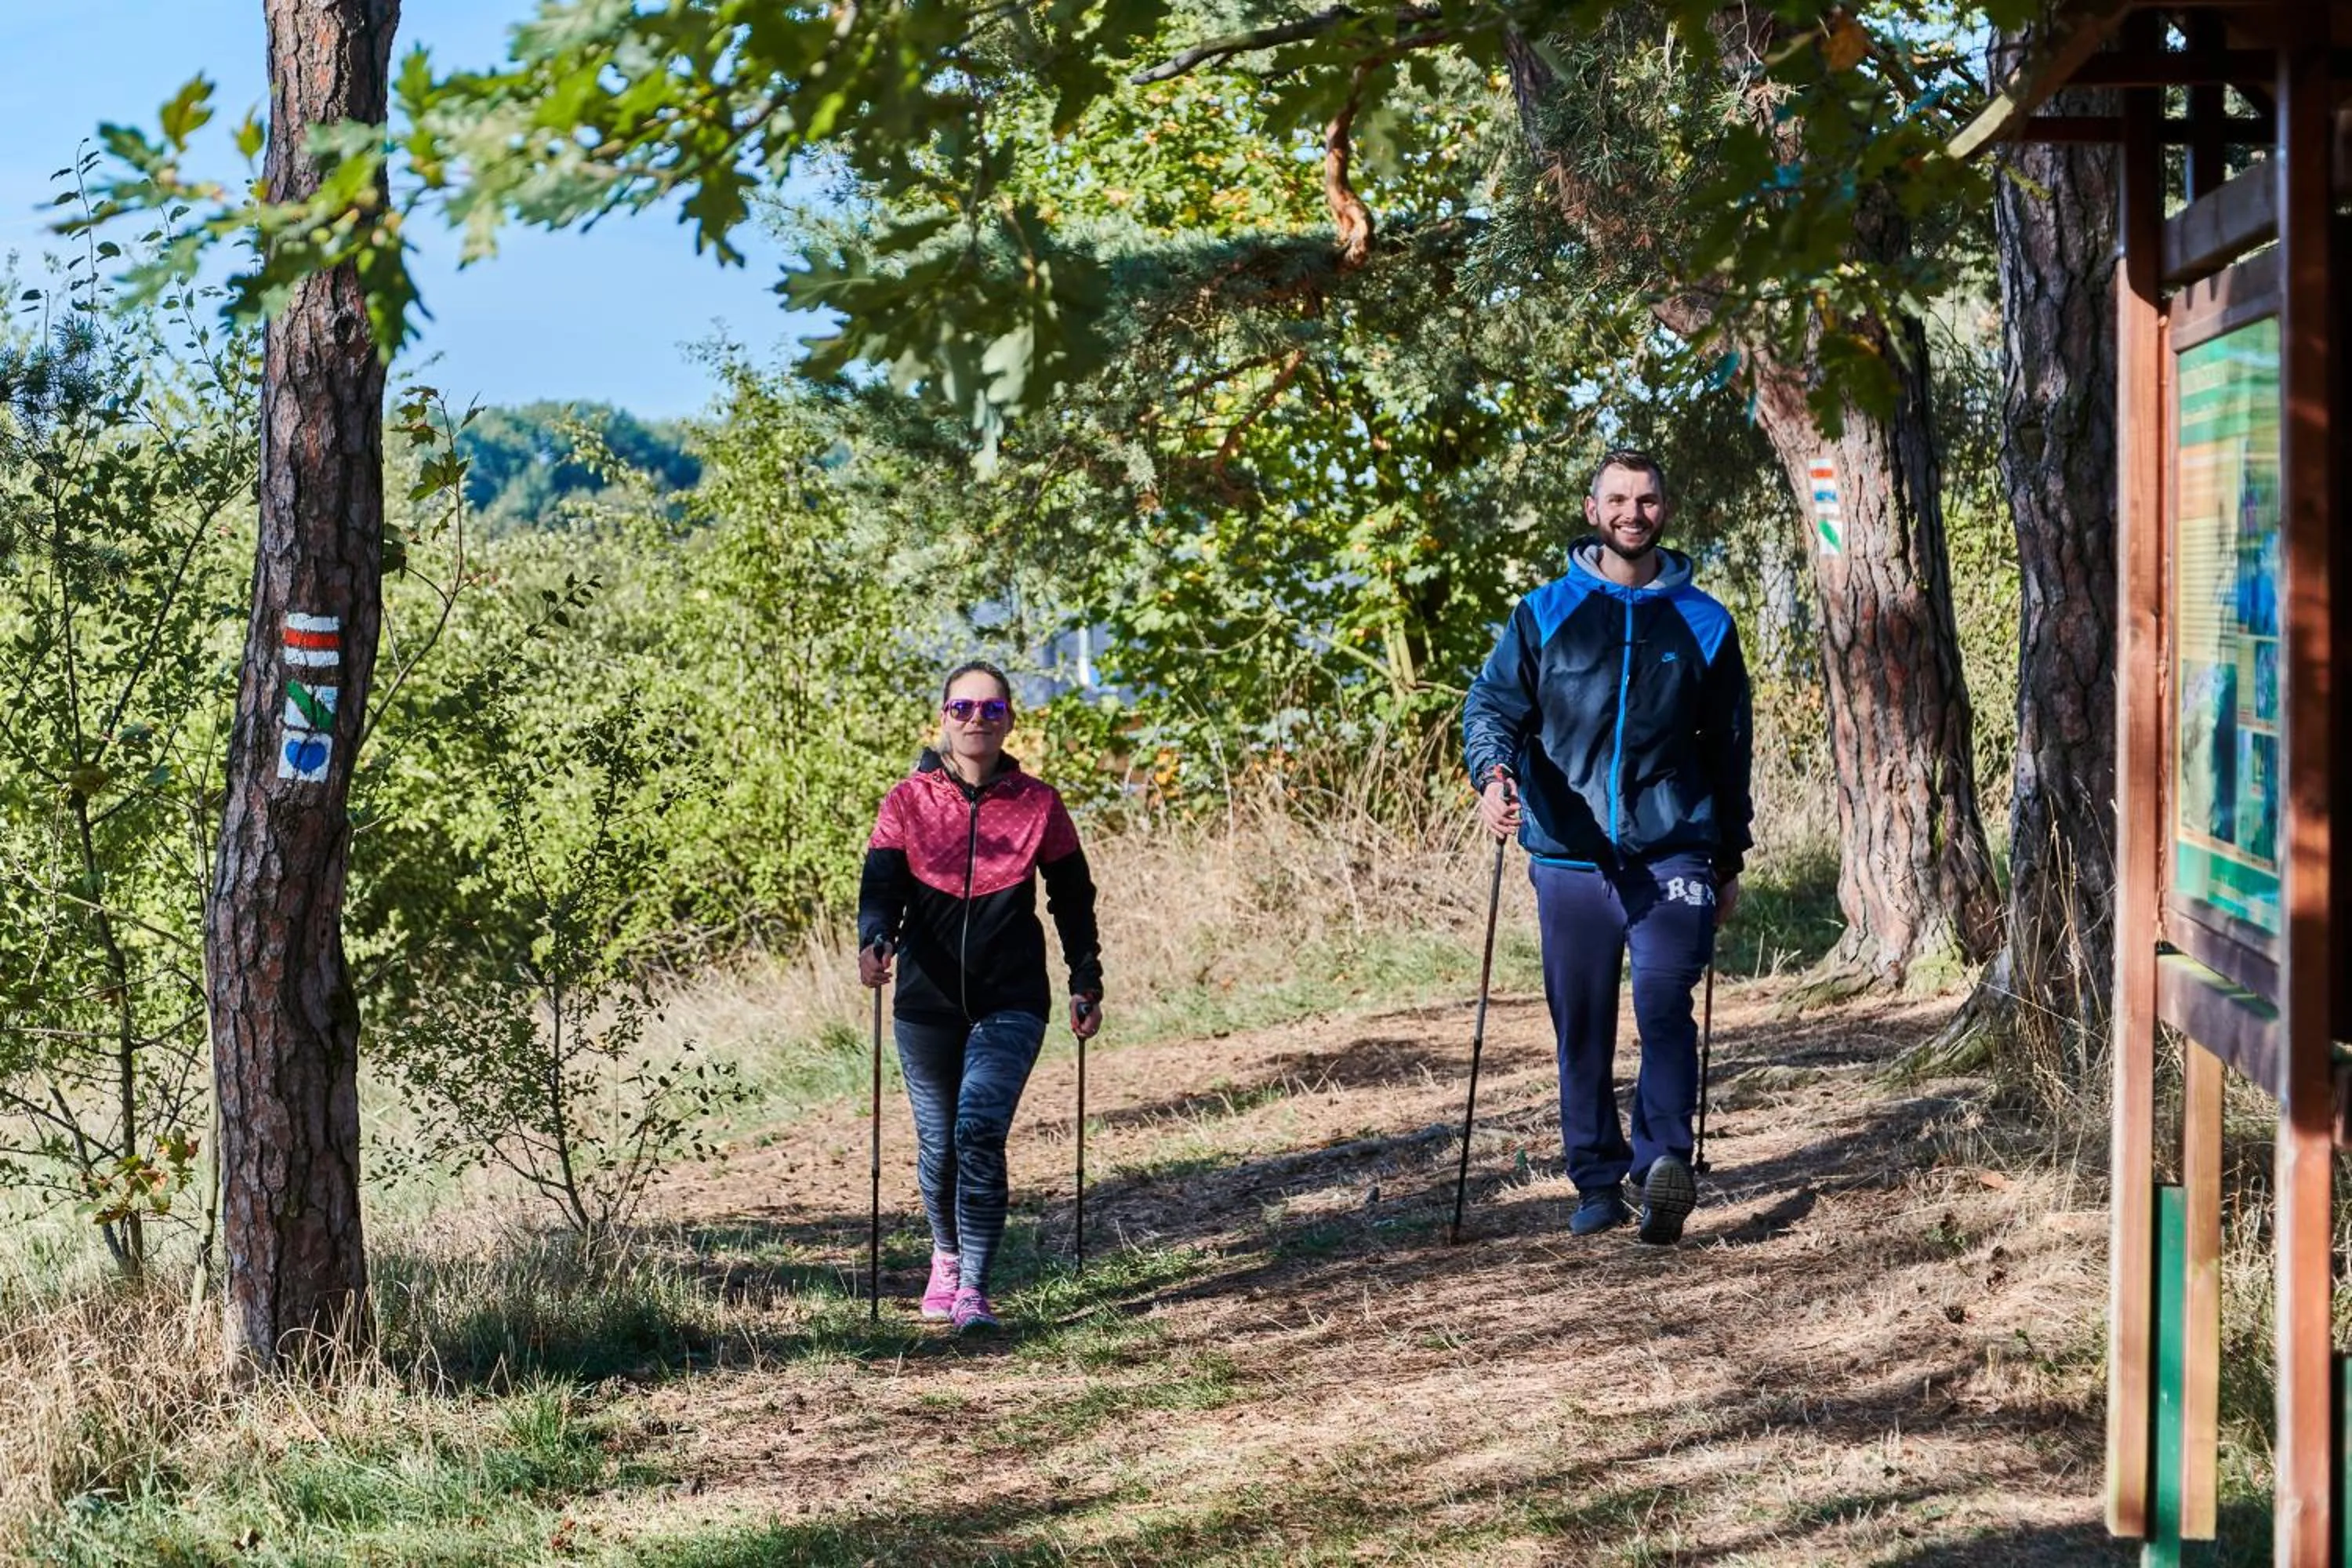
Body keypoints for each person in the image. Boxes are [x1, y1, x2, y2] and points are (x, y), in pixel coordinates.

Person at [1461, 449, 1752, 1245]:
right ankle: (1594, 1177)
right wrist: (1491, 776)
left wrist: (1729, 856)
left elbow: (1729, 748)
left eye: (1648, 499)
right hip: (1568, 853)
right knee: (1580, 1025)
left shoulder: (1705, 621)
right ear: (1593, 510)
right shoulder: (1545, 611)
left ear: (1666, 508)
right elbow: (1492, 706)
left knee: (1664, 1001)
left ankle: (1665, 1168)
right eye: (1618, 499)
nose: (1634, 512)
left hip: (1674, 846)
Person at [857, 660, 1104, 1330]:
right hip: (925, 1001)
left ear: (1009, 723)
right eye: (964, 708)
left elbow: (1073, 899)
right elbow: (880, 888)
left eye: (992, 711)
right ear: (943, 716)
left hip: (1011, 998)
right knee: (939, 1145)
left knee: (978, 1130)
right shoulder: (907, 803)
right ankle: (945, 1254)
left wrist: (1086, 978)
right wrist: (874, 939)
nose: (976, 720)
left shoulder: (1039, 804)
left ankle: (974, 1289)